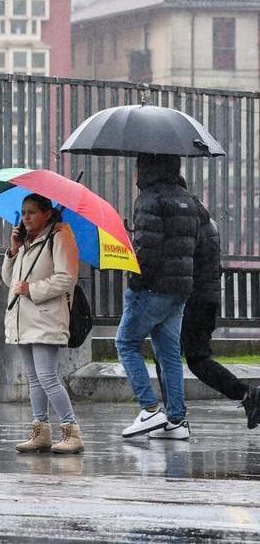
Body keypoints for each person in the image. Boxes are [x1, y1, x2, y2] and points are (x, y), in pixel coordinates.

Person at [156, 177, 260, 429]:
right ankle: (248, 395)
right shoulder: (204, 218)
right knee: (197, 358)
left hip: (190, 298)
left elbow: (179, 259)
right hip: (206, 297)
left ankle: (173, 417)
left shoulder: (185, 219)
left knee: (167, 355)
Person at [117, 154, 199, 440]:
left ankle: (150, 410)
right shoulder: (188, 200)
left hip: (151, 288)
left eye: (139, 167)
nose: (136, 173)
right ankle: (176, 420)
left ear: (150, 168)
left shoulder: (149, 200)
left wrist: (136, 282)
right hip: (179, 288)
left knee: (126, 342)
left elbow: (148, 252)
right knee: (168, 353)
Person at [0, 193, 84, 454]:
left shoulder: (59, 237)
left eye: (32, 212)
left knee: (47, 377)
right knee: (34, 379)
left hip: (46, 318)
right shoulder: (27, 242)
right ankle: (40, 430)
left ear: (47, 213)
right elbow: (8, 280)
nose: (26, 218)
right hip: (23, 319)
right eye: (23, 213)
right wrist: (13, 251)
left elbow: (66, 278)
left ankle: (71, 430)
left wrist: (32, 289)